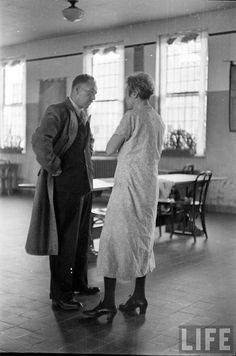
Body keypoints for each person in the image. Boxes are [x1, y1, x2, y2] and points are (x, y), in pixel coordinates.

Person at [83, 72, 165, 322]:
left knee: (110, 239)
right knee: (141, 239)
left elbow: (109, 148)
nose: (125, 96)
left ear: (135, 93)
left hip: (129, 186)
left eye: (127, 91)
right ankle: (139, 295)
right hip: (148, 188)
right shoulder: (158, 119)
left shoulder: (132, 116)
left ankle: (108, 303)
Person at [25, 74, 100, 310]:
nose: (93, 97)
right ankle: (61, 295)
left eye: (95, 93)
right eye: (90, 92)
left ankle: (79, 284)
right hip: (64, 188)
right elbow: (39, 141)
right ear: (76, 90)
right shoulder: (57, 111)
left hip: (83, 187)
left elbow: (86, 144)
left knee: (80, 239)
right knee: (64, 241)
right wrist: (55, 166)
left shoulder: (83, 115)